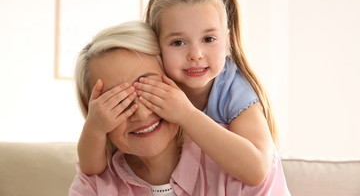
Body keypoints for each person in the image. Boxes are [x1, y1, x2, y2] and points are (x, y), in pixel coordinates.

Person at [69, 21, 290, 195]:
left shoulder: (239, 163)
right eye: (117, 101)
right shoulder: (94, 188)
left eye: (150, 88)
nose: (141, 113)